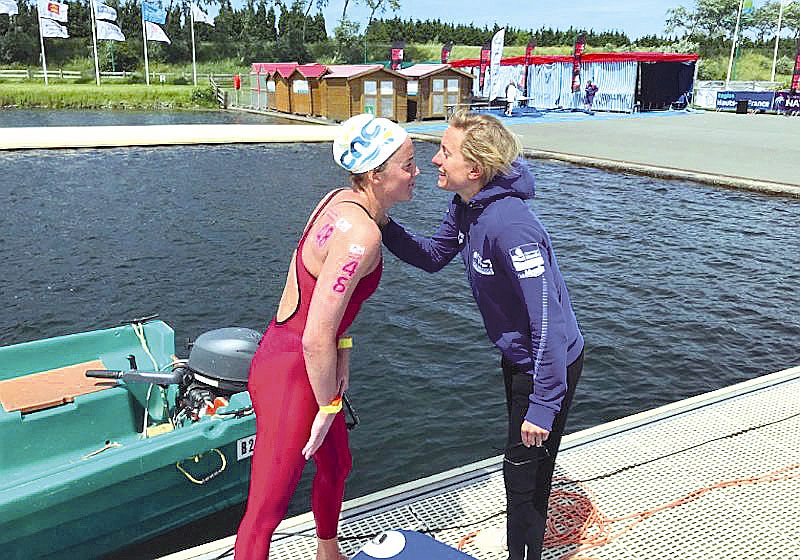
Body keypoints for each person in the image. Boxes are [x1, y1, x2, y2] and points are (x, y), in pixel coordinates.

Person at [380, 111, 584, 560]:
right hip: (518, 356)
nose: (435, 160)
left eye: (445, 153)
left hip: (545, 362)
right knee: (524, 467)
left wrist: (544, 405)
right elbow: (434, 255)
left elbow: (546, 320)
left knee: (522, 473)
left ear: (474, 170)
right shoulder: (468, 205)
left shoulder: (511, 227)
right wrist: (381, 222)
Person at [235, 113, 419, 560]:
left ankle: (327, 550)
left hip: (304, 362)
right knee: (265, 510)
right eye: (409, 165)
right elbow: (315, 335)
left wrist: (344, 356)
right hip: (294, 373)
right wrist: (326, 405)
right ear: (376, 175)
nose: (417, 172)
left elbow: (326, 310)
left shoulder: (337, 200)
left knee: (336, 465)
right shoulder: (363, 234)